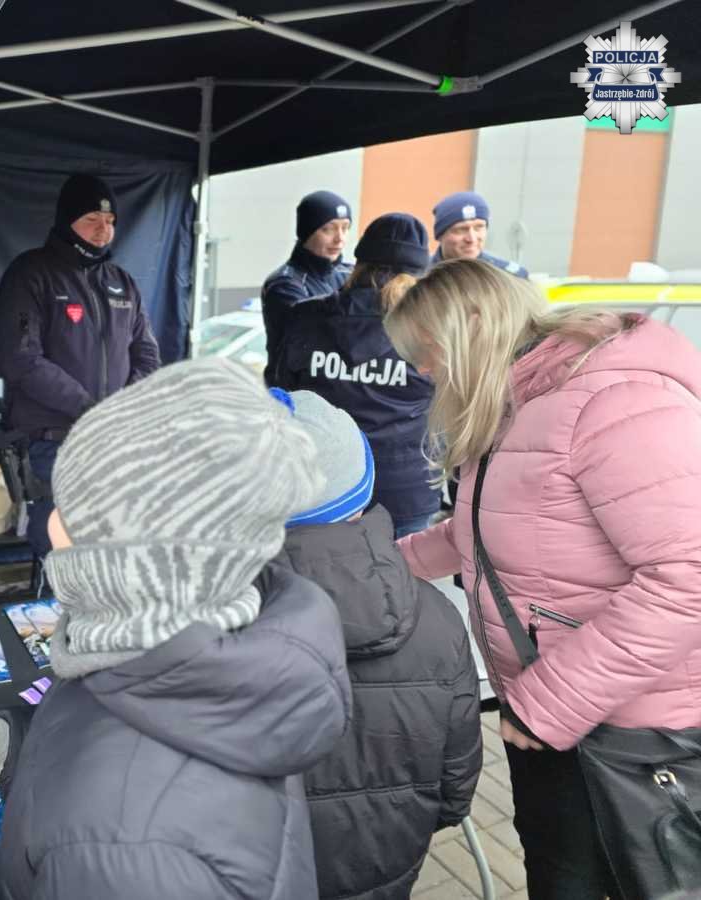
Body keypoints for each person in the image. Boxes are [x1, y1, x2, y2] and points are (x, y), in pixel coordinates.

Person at [385, 258, 701, 899]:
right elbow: (479, 532)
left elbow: (688, 578)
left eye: (425, 352)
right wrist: (373, 564)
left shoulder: (615, 400)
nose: (422, 372)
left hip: (630, 737)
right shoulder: (523, 403)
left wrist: (546, 705)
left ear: (473, 324)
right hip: (557, 719)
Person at [0, 356, 352, 900]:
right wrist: (13, 745)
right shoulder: (168, 658)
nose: (50, 524)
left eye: (76, 513)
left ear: (138, 562)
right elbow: (95, 731)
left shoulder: (128, 847)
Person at [263, 388, 482, 899]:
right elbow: (454, 792)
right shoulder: (438, 619)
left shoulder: (195, 621)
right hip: (383, 871)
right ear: (361, 491)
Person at [0, 173, 161, 560]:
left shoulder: (122, 282)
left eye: (110, 221)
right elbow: (20, 360)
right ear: (67, 221)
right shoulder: (31, 273)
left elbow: (148, 356)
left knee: (116, 559)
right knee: (66, 563)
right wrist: (89, 409)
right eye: (91, 220)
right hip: (53, 445)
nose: (103, 230)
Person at [268, 212, 439, 538]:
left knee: (316, 571)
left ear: (358, 263)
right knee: (403, 572)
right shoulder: (431, 331)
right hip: (405, 490)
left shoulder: (306, 316)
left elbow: (282, 395)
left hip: (325, 489)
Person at [262, 190, 353, 378]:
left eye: (345, 228)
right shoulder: (284, 284)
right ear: (306, 232)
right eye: (328, 229)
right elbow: (320, 338)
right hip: (294, 388)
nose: (340, 238)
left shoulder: (351, 274)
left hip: (335, 386)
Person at [431, 190, 528, 277]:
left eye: (479, 227)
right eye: (461, 229)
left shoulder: (508, 277)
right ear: (440, 235)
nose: (471, 239)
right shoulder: (423, 277)